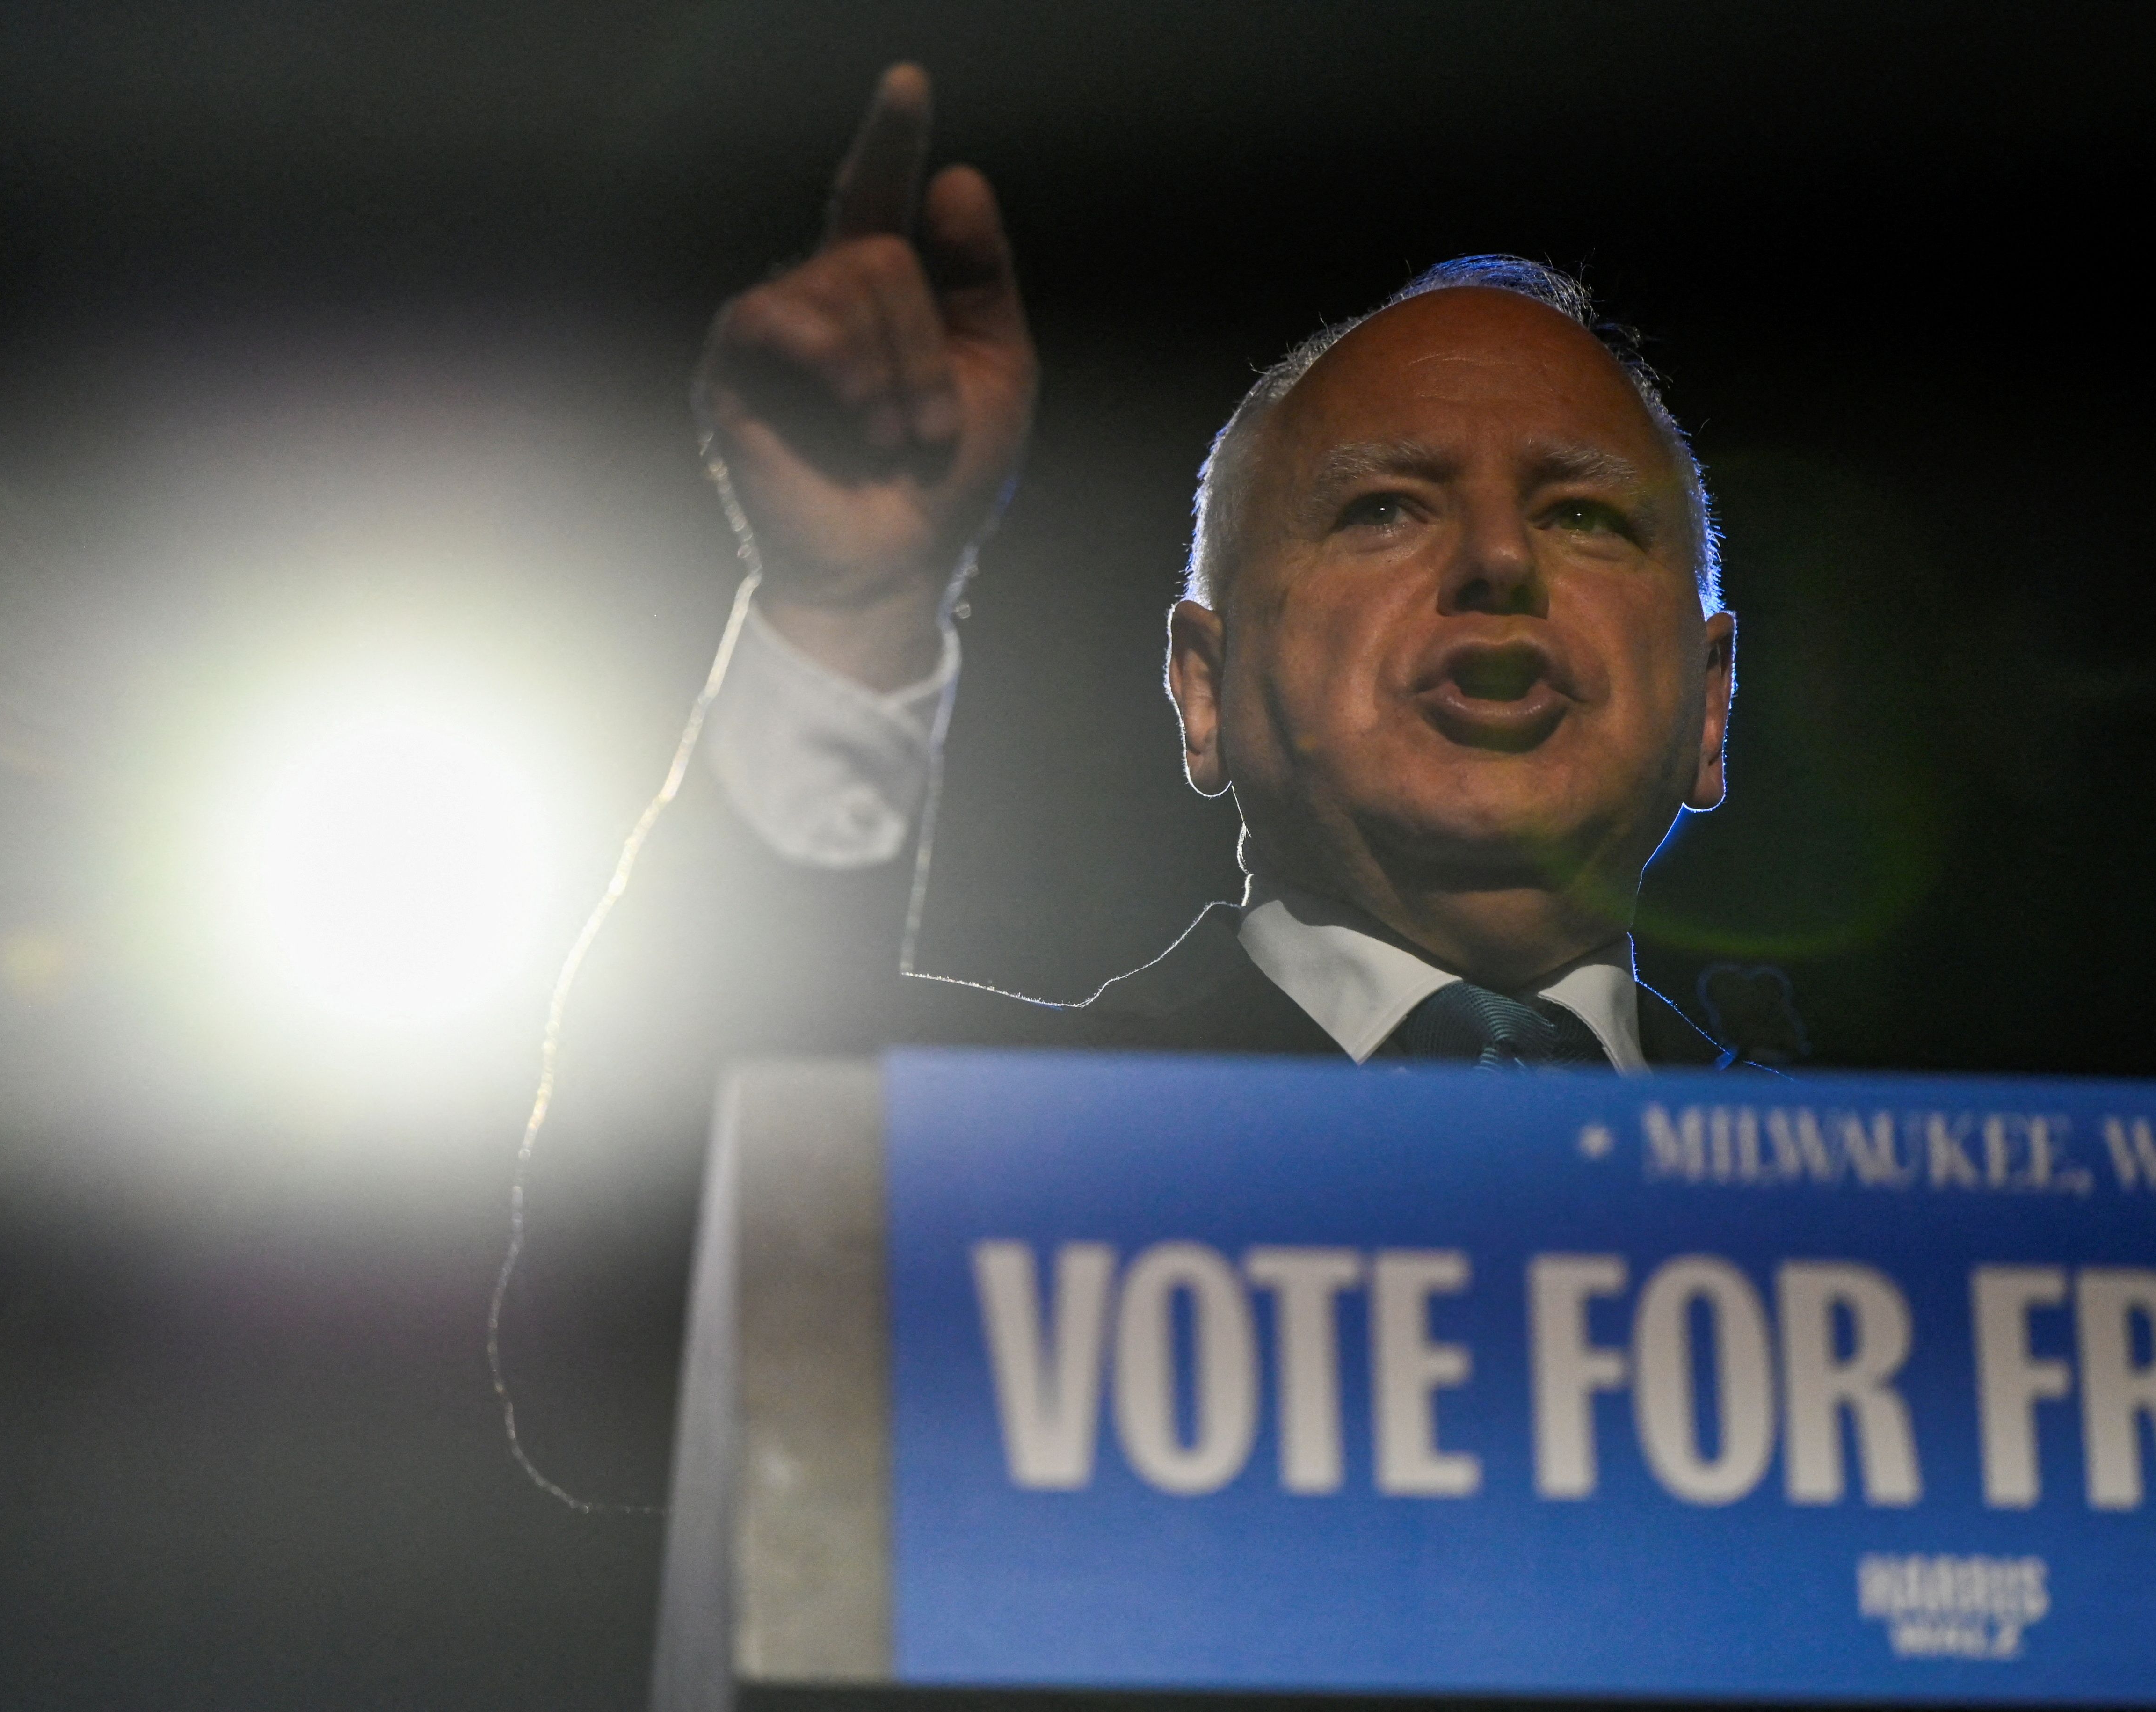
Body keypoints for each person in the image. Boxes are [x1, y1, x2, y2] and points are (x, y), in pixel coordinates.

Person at [496, 64, 1758, 1509]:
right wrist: (847, 614)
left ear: (1710, 706)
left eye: (1583, 514)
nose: (1495, 563)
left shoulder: (1924, 1192)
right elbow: (627, 1342)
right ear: (1202, 693)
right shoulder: (976, 1156)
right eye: (1384, 507)